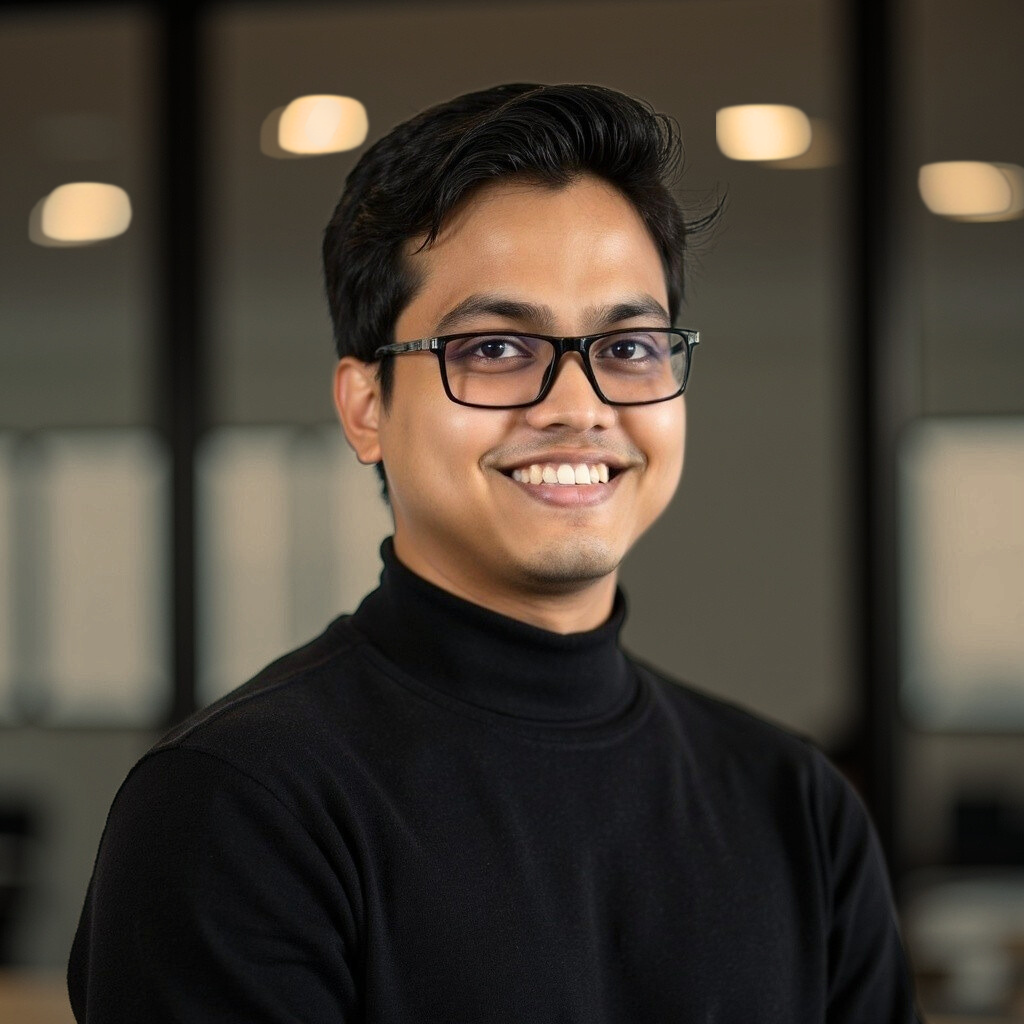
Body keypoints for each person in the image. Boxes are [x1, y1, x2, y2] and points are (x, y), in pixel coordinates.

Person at [68, 83, 920, 1022]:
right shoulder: (241, 805)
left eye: (630, 346)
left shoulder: (794, 805)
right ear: (364, 409)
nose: (578, 406)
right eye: (498, 347)